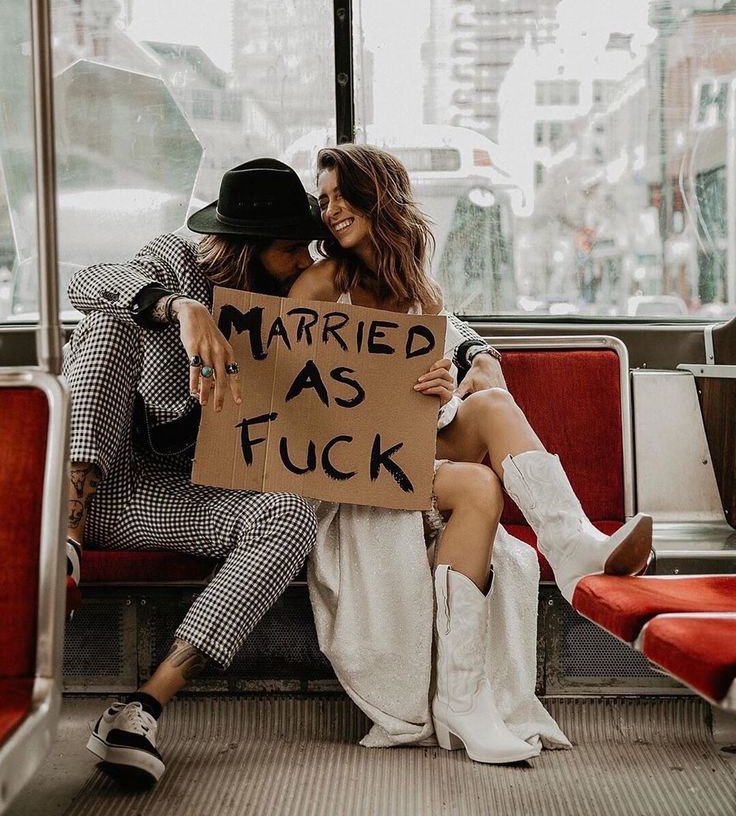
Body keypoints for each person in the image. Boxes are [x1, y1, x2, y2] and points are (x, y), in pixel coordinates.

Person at [63, 156, 497, 785]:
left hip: (171, 492)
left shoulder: (288, 300)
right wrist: (180, 308)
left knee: (288, 513)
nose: (303, 260)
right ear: (245, 247)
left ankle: (143, 707)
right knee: (105, 323)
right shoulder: (173, 262)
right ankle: (66, 540)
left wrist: (470, 354)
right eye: (291, 249)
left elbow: (423, 315)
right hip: (97, 477)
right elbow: (85, 282)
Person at [289, 143, 653, 764]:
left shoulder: (420, 291)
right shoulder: (320, 284)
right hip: (347, 461)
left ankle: (568, 548)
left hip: (405, 446)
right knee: (480, 488)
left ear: (376, 194)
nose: (330, 210)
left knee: (488, 405)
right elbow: (292, 388)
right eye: (322, 200)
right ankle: (466, 696)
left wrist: (442, 389)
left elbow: (439, 388)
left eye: (340, 194)